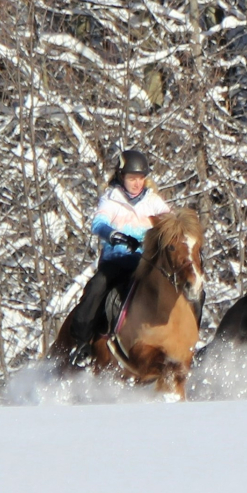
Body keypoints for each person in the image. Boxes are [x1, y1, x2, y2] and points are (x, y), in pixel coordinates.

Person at [66, 150, 172, 366]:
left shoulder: (153, 201)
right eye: (132, 178)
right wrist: (113, 234)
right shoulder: (111, 198)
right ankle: (82, 342)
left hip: (146, 263)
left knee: (182, 286)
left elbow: (169, 222)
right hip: (116, 262)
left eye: (140, 178)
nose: (137, 183)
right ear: (122, 177)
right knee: (95, 288)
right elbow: (98, 223)